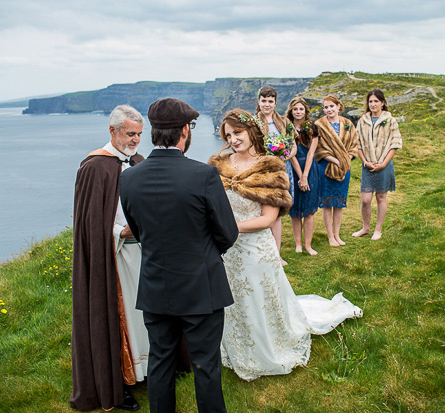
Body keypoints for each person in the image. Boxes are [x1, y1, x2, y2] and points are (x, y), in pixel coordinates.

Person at [208, 109, 362, 381]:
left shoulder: (270, 167)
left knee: (259, 298)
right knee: (233, 300)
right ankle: (235, 346)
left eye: (238, 133)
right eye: (228, 135)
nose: (233, 139)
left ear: (252, 131)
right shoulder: (218, 165)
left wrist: (227, 228)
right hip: (227, 251)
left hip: (255, 249)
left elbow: (268, 219)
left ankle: (268, 348)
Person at [120, 98, 238, 413]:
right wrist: (203, 255)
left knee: (160, 363)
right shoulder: (204, 176)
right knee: (205, 367)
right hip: (202, 287)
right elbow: (227, 233)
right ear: (185, 130)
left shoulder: (129, 177)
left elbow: (139, 231)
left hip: (156, 286)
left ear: (154, 133)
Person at [70, 105, 148, 411]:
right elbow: (90, 222)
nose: (135, 141)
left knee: (143, 318)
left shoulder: (138, 162)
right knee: (120, 319)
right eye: (130, 134)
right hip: (113, 259)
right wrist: (120, 232)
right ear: (112, 131)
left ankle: (144, 372)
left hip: (142, 255)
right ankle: (120, 382)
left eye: (140, 135)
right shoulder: (94, 167)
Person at [353, 89, 402, 241]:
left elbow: (395, 144)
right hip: (367, 165)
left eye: (376, 101)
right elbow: (357, 143)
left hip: (384, 164)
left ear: (383, 103)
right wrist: (365, 162)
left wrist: (383, 164)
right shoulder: (362, 121)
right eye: (370, 101)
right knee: (365, 199)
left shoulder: (390, 120)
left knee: (381, 197)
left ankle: (378, 230)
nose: (373, 104)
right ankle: (365, 227)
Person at [256, 86, 297, 265]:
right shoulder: (253, 122)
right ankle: (261, 253)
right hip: (261, 171)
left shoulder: (285, 122)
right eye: (263, 100)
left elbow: (293, 146)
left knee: (277, 214)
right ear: (259, 101)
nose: (267, 104)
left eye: (270, 101)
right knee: (260, 212)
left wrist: (284, 157)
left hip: (282, 170)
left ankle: (277, 254)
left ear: (275, 103)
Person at [314, 95, 358, 247]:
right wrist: (335, 160)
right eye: (325, 107)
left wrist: (346, 159)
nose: (328, 110)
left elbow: (354, 144)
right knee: (327, 203)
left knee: (339, 202)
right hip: (326, 167)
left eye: (331, 106)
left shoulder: (348, 124)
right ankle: (330, 236)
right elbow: (318, 148)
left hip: (344, 168)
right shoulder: (319, 124)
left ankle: (337, 235)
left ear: (339, 106)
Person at [286, 97, 320, 255]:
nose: (298, 112)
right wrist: (300, 177)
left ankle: (308, 245)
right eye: (295, 109)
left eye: (301, 109)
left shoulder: (312, 128)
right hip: (294, 169)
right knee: (295, 209)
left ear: (306, 111)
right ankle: (298, 244)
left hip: (309, 168)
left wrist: (305, 176)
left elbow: (311, 153)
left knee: (308, 210)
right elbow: (290, 155)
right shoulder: (287, 128)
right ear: (291, 111)